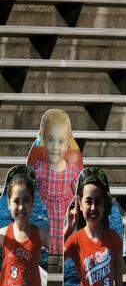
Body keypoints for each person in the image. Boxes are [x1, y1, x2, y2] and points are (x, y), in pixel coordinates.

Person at [63, 168, 126, 286]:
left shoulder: (114, 238)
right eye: (88, 202)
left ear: (104, 205)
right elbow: (56, 261)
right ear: (80, 203)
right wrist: (67, 229)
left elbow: (118, 276)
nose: (93, 208)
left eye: (98, 202)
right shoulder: (75, 240)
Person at [28, 109, 82, 255]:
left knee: (62, 257)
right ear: (44, 141)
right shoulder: (38, 169)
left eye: (60, 141)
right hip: (44, 220)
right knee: (45, 256)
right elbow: (30, 193)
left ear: (67, 145)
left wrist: (78, 208)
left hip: (64, 221)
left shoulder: (72, 170)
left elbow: (78, 194)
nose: (55, 147)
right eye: (50, 140)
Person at [0, 166, 43, 286]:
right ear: (8, 203)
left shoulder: (40, 234)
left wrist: (69, 226)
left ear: (32, 203)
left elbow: (60, 245)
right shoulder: (3, 235)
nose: (20, 207)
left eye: (26, 201)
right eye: (16, 201)